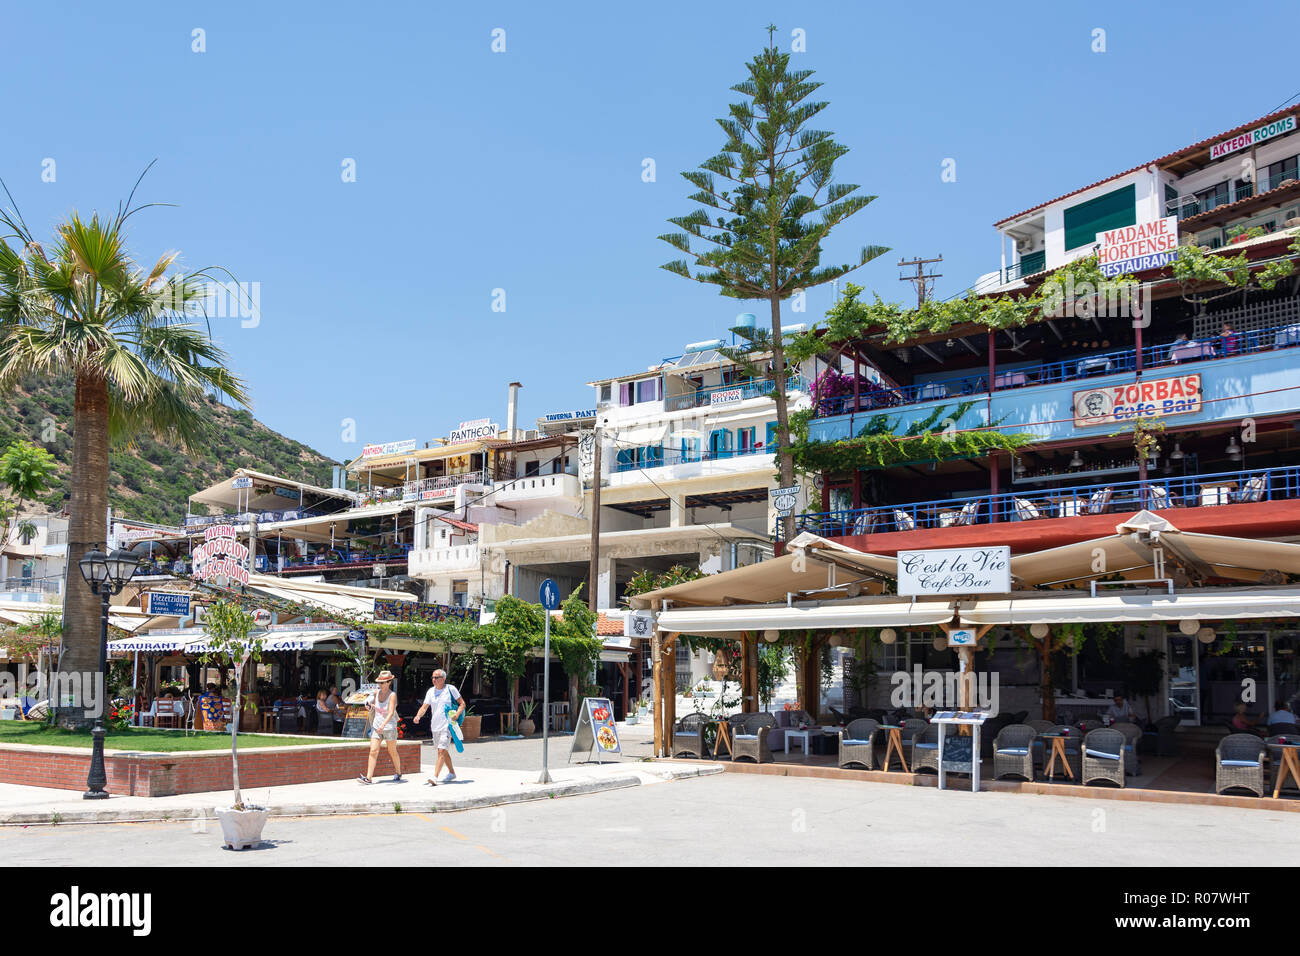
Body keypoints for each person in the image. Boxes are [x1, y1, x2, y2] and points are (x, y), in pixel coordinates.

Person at [414, 668, 464, 785]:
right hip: (435, 726)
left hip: (447, 725)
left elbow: (462, 703)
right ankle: (452, 773)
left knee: (441, 750)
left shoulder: (450, 689)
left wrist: (457, 714)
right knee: (442, 751)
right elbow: (424, 707)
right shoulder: (430, 691)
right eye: (432, 677)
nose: (434, 680)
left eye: (436, 677)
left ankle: (435, 777)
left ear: (443, 678)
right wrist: (418, 716)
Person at [359, 671, 403, 784]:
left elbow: (391, 712)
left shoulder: (392, 695)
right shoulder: (376, 692)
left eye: (383, 682)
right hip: (376, 726)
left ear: (389, 682)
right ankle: (368, 778)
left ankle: (398, 772)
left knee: (392, 751)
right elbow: (372, 704)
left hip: (389, 727)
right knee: (373, 751)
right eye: (379, 682)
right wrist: (369, 706)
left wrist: (383, 725)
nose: (380, 684)